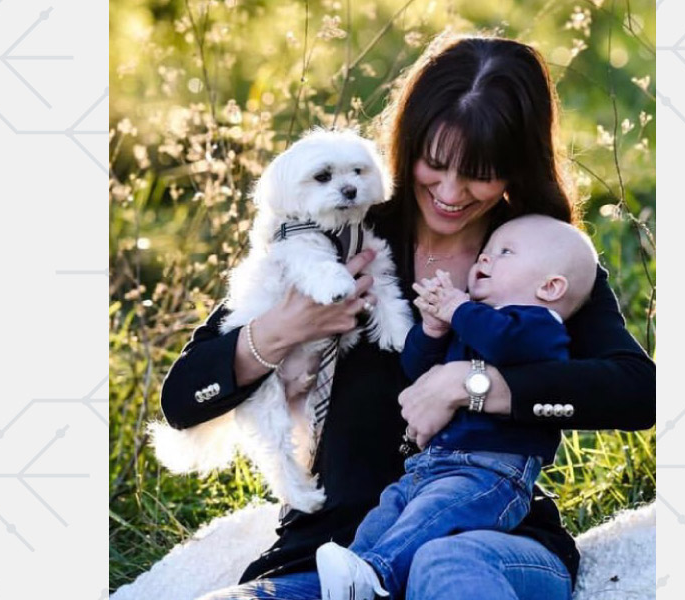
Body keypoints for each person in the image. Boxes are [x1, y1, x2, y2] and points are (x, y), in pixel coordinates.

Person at [161, 34, 655, 600]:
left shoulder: (535, 257)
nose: (450, 191)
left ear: (518, 167)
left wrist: (474, 385)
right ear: (406, 143)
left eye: (480, 172)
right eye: (436, 163)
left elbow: (637, 392)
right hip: (329, 555)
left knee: (444, 571)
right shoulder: (344, 231)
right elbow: (182, 398)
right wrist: (284, 329)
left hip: (480, 545)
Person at [315, 215, 599, 600]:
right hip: (430, 466)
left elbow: (505, 345)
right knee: (388, 513)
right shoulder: (474, 324)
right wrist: (432, 330)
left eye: (505, 252)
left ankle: (376, 573)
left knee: (431, 515)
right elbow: (418, 372)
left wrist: (458, 310)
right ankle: (357, 570)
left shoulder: (537, 325)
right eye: (486, 251)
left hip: (490, 471)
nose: (484, 259)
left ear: (549, 287)